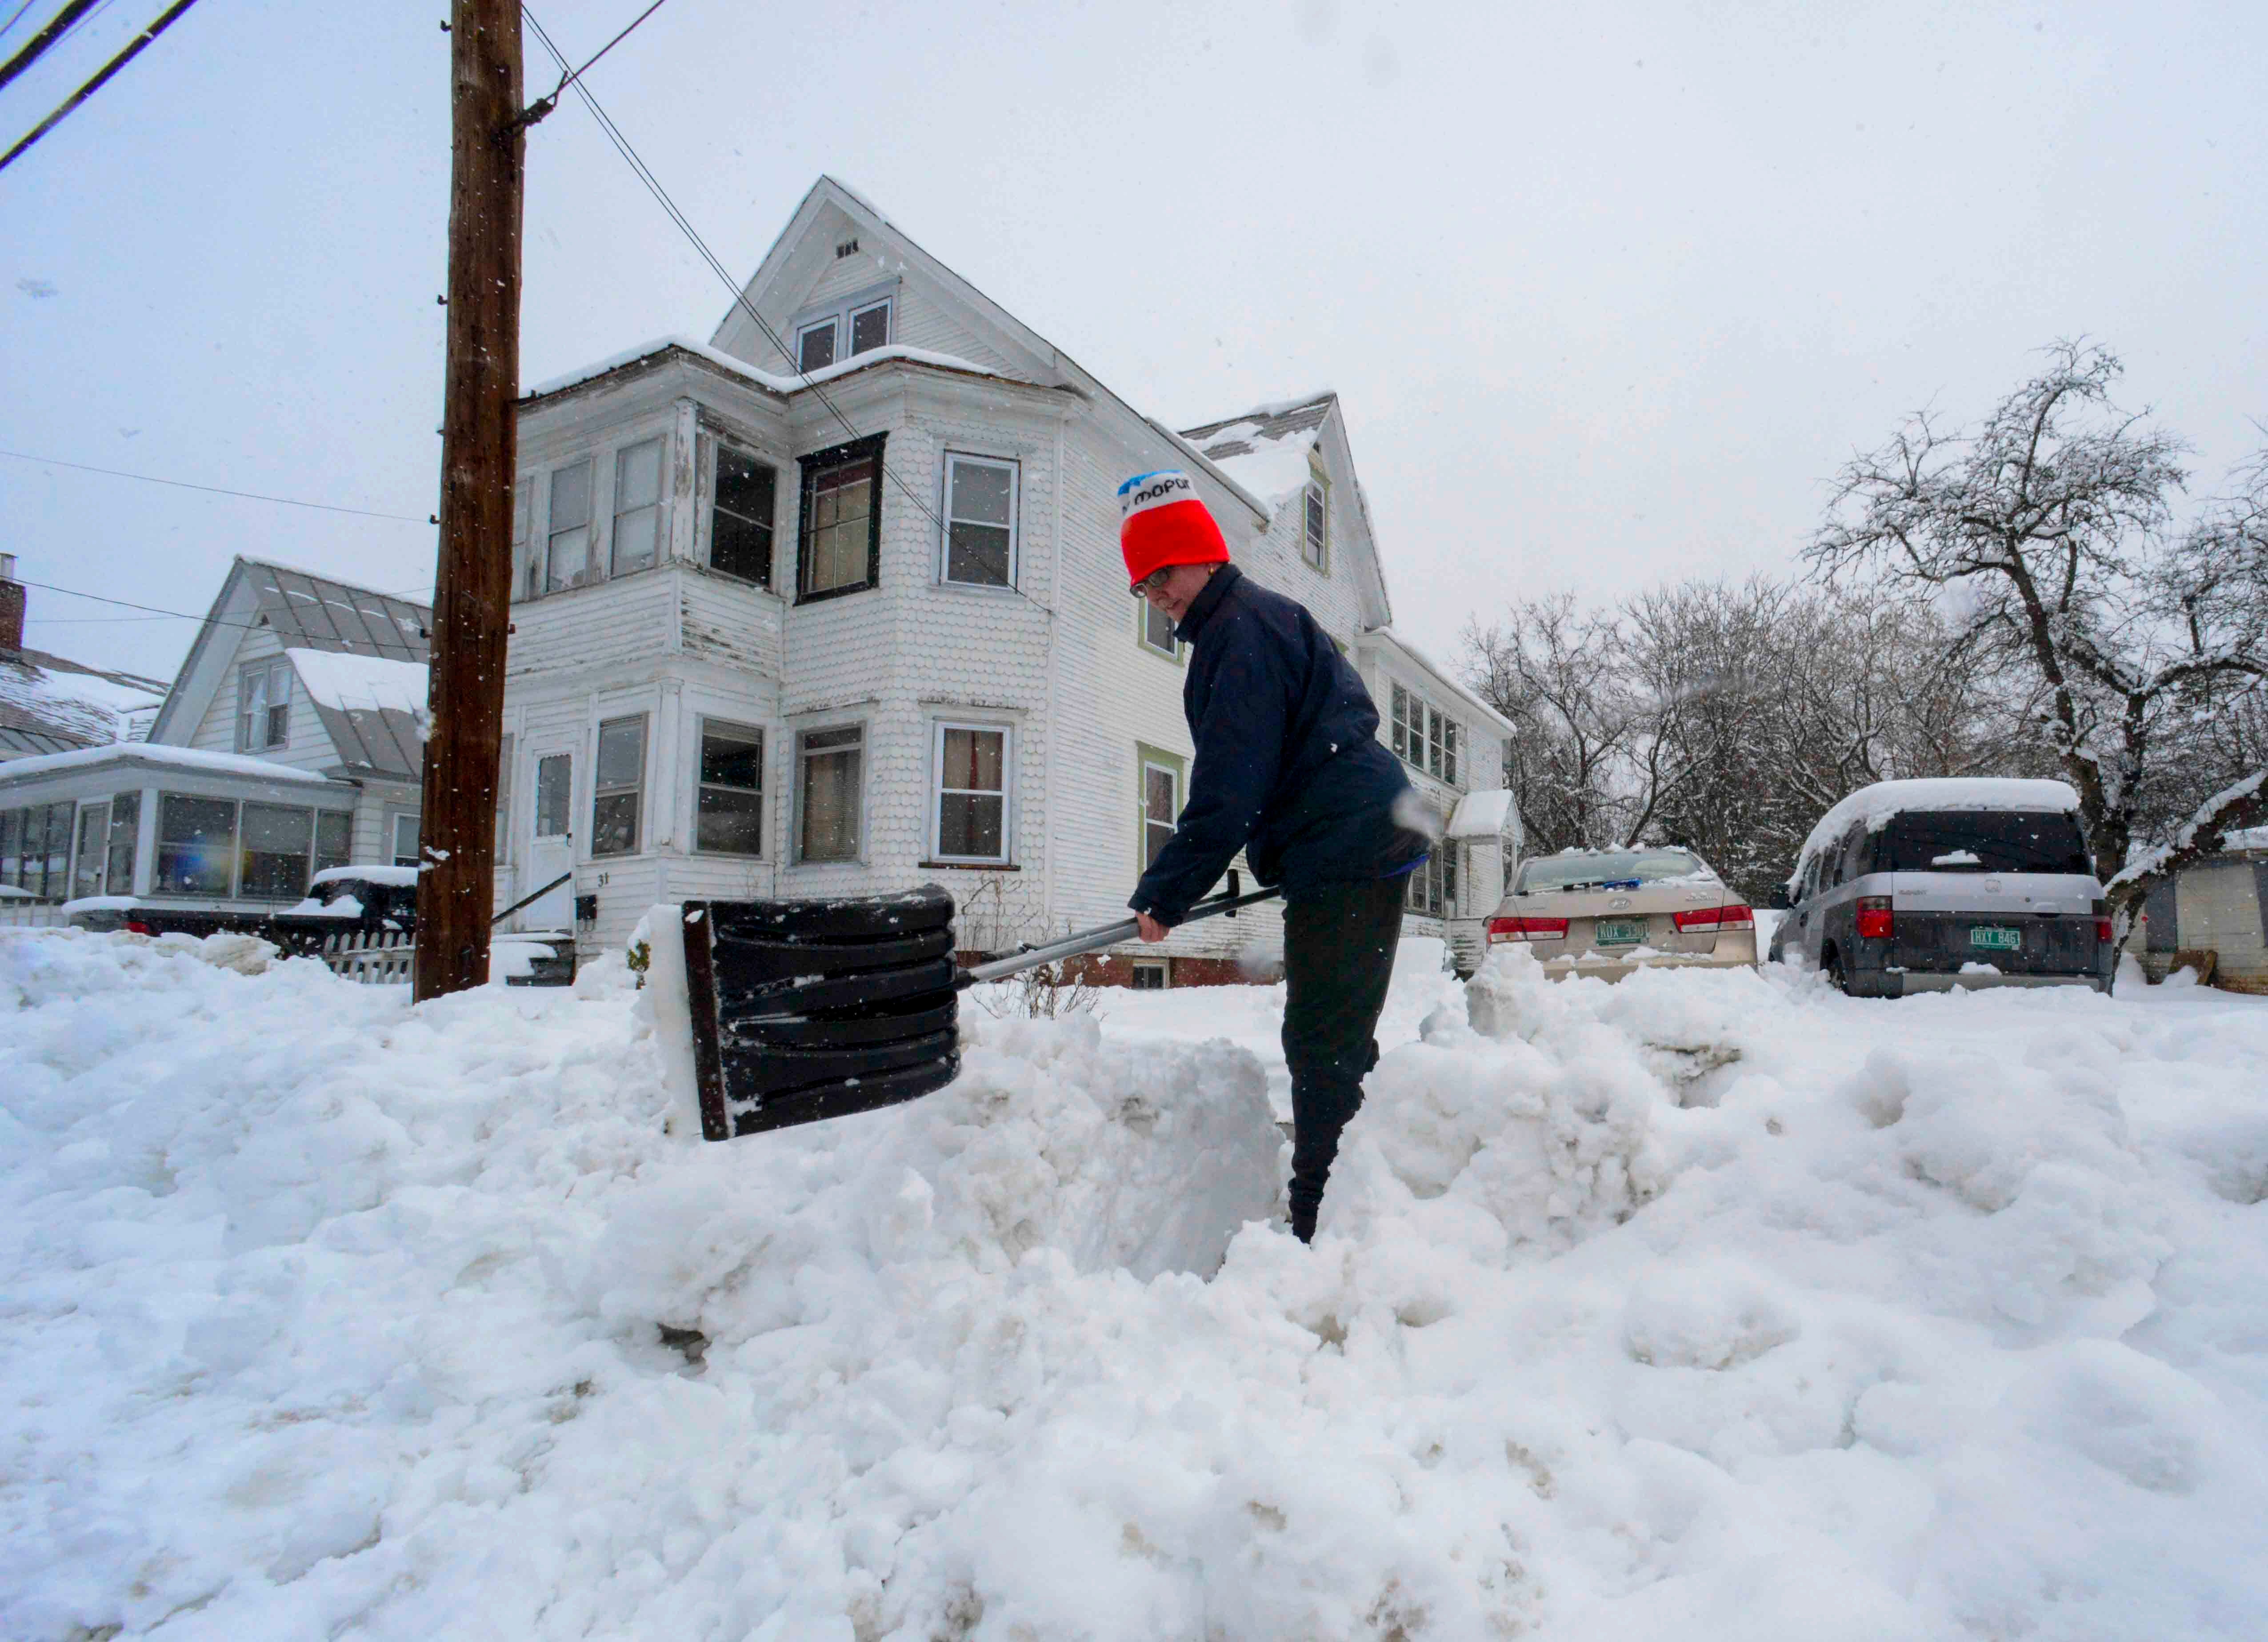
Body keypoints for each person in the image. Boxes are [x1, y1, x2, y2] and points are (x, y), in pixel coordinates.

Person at [1118, 468, 1427, 1244]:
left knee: (1321, 1038)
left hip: (1347, 840)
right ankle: (1363, 1183)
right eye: (1145, 588)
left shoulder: (1240, 634)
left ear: (1204, 555)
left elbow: (1232, 788)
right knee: (1336, 1030)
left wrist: (1166, 892)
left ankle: (1321, 1217)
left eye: (1166, 575)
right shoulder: (1251, 623)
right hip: (1352, 831)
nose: (1160, 596)